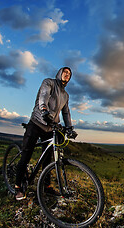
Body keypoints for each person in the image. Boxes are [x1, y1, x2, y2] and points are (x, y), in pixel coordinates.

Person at [15, 67, 77, 200]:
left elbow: (66, 112)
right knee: (26, 155)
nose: (67, 75)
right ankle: (17, 187)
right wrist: (43, 109)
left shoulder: (66, 95)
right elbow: (44, 95)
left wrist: (69, 127)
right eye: (65, 72)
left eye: (69, 74)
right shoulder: (49, 82)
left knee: (48, 159)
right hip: (37, 122)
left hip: (50, 127)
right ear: (60, 73)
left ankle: (46, 186)